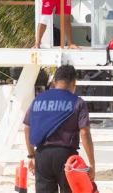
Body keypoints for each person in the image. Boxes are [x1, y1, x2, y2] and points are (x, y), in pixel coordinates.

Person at [24, 65, 95, 193]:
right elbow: (84, 132)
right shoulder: (78, 102)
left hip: (42, 155)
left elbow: (27, 127)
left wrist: (31, 156)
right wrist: (91, 164)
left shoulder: (38, 100)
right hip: (67, 157)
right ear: (74, 83)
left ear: (54, 82)